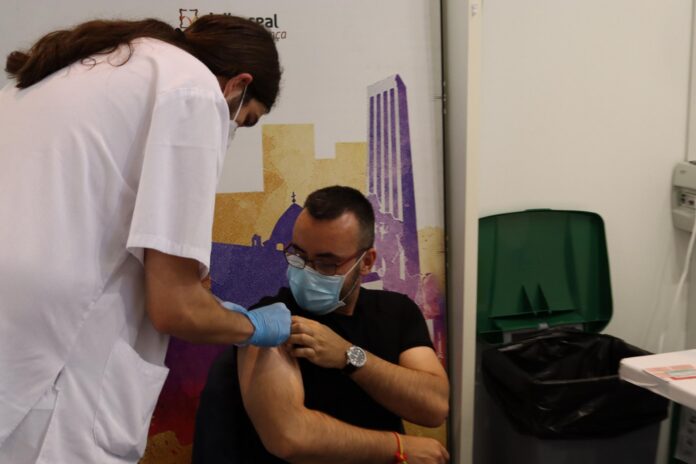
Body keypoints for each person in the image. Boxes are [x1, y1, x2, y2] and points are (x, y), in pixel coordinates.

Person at [0, 15, 292, 464]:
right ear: (239, 84)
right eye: (244, 120)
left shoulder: (81, 70)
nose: (231, 129)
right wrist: (252, 327)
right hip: (52, 379)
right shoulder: (194, 90)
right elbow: (175, 307)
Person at [193, 186, 450, 464]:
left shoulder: (397, 311)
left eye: (326, 264)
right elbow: (289, 437)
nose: (307, 271)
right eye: (299, 256)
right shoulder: (272, 321)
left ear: (366, 262)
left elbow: (434, 407)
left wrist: (348, 356)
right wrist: (398, 446)